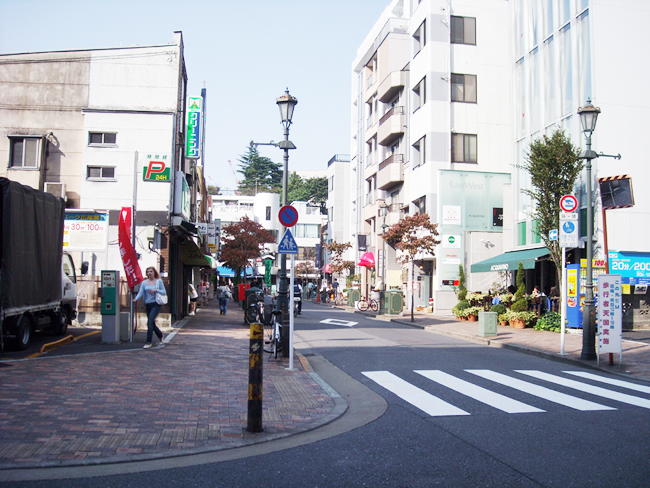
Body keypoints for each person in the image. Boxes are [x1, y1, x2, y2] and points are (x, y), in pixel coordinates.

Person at [133, 266, 167, 349]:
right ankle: (160, 335)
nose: (149, 273)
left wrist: (156, 290)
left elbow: (164, 292)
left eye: (151, 271)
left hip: (156, 304)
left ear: (154, 272)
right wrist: (136, 299)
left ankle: (148, 342)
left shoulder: (158, 282)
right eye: (148, 272)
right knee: (151, 323)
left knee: (150, 322)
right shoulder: (144, 283)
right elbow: (141, 292)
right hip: (148, 304)